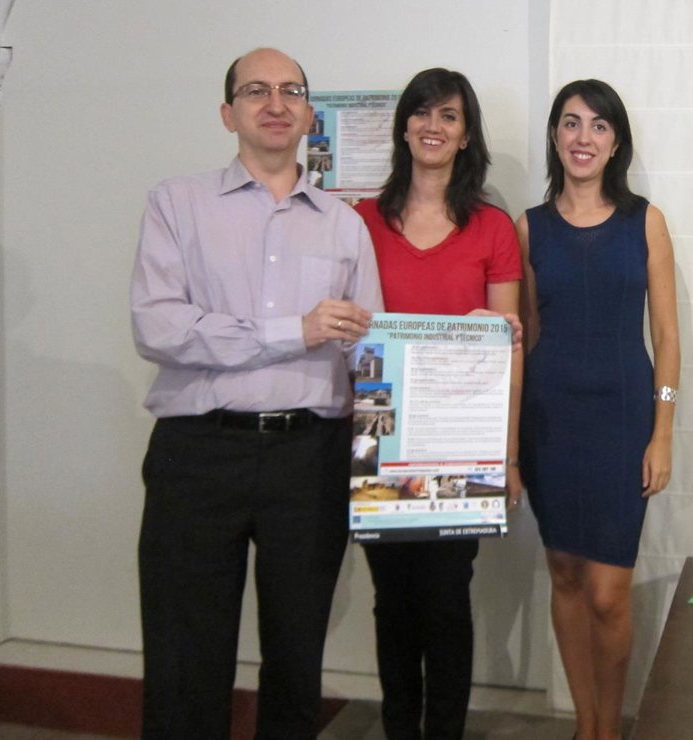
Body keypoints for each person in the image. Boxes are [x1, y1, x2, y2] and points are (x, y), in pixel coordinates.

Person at [130, 47, 383, 740]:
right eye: (256, 91)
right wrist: (293, 331)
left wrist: (469, 344)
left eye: (291, 91)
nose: (275, 104)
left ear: (308, 113)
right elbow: (159, 327)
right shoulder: (177, 204)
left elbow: (370, 353)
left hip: (310, 458)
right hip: (197, 454)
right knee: (185, 654)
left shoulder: (344, 225)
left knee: (297, 655)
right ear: (228, 113)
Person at [354, 67, 523, 740]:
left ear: (466, 134)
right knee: (392, 601)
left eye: (449, 115)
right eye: (422, 112)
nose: (434, 126)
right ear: (404, 127)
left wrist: (507, 456)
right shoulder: (361, 221)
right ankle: (399, 728)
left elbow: (511, 347)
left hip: (460, 443)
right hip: (381, 439)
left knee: (448, 600)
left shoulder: (492, 227)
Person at [517, 79, 680, 740]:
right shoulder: (529, 227)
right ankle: (585, 727)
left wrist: (662, 432)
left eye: (598, 126)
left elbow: (666, 336)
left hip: (622, 422)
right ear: (555, 136)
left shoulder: (646, 221)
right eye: (571, 123)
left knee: (609, 594)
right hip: (548, 422)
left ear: (616, 144)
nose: (583, 137)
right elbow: (526, 333)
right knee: (563, 575)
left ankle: (608, 730)